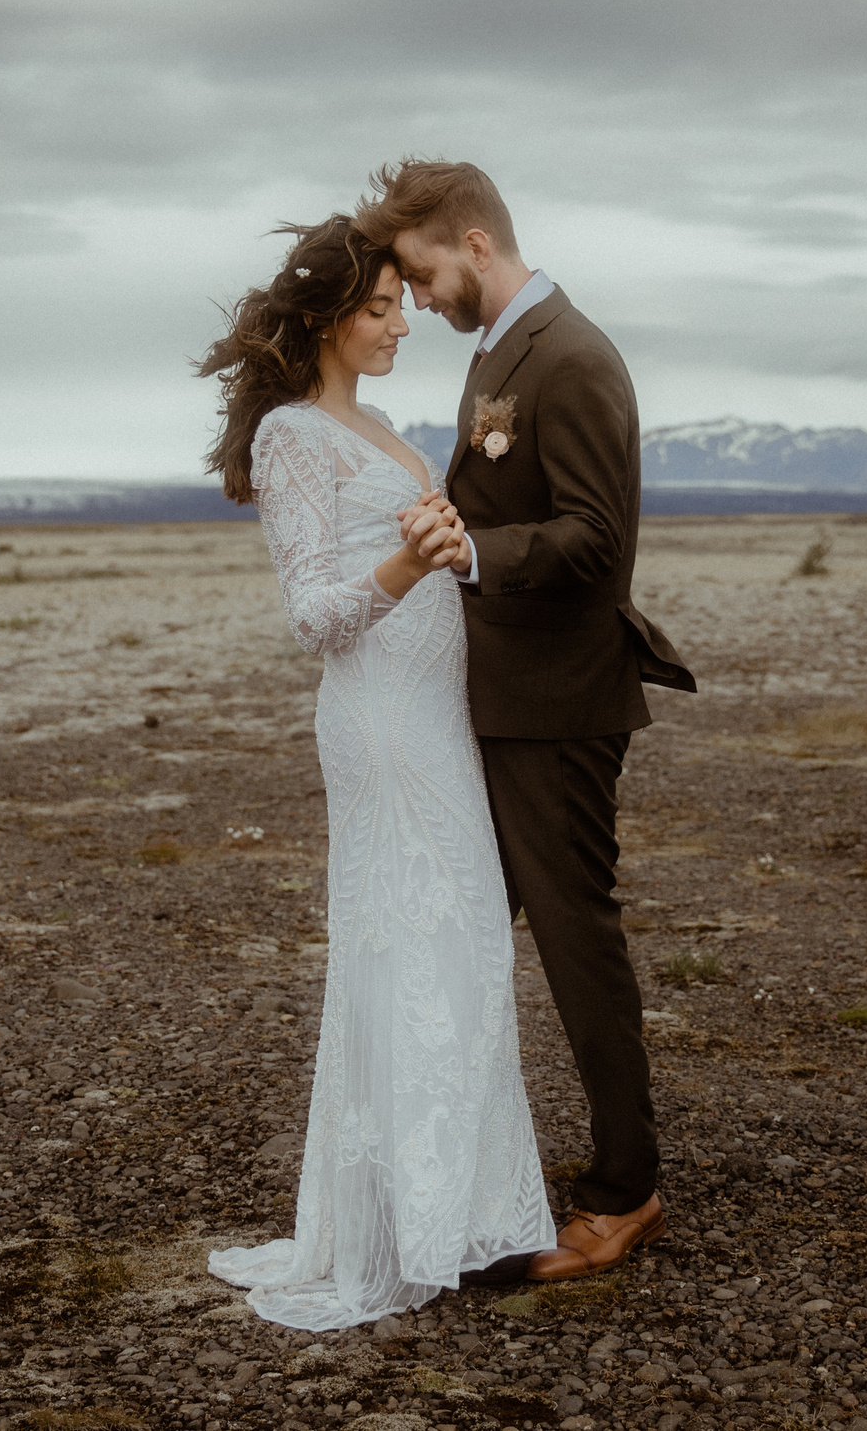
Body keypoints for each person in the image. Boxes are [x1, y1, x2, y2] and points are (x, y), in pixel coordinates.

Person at [198, 214, 558, 1330]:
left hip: (436, 718)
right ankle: (408, 1223)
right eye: (378, 307)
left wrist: (448, 542)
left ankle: (459, 1206)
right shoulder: (295, 437)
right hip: (382, 725)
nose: (402, 320)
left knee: (459, 943)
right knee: (413, 943)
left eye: (404, 302)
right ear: (324, 320)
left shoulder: (385, 426)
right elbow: (314, 616)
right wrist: (412, 558)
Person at [354, 159, 697, 1283]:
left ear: (475, 244)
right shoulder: (502, 355)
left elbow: (598, 542)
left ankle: (625, 1189)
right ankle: (462, 1176)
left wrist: (472, 551)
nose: (420, 297)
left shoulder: (576, 357)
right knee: (462, 933)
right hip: (498, 703)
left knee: (573, 938)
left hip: (557, 707)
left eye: (422, 272)